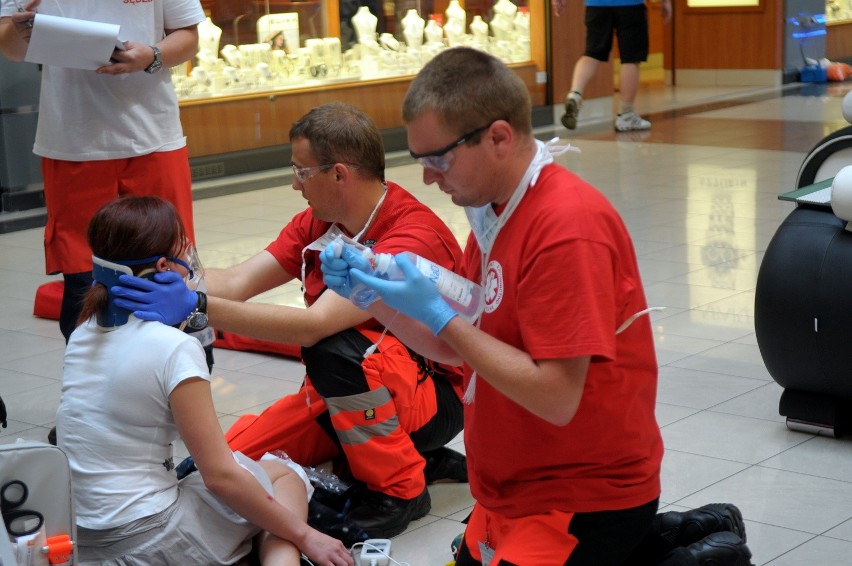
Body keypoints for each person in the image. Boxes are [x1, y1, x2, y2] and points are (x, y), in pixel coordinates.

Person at [320, 47, 753, 565]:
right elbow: (462, 349)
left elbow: (555, 396)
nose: (428, 178)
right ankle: (662, 538)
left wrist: (442, 315)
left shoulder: (565, 227)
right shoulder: (493, 211)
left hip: (579, 494)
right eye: (419, 161)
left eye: (438, 159)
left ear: (499, 137)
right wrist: (379, 302)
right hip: (517, 483)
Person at [109, 102, 468, 540]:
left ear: (339, 174)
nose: (294, 183)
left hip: (432, 394)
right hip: (348, 391)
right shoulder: (321, 221)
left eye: (301, 172)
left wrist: (194, 304)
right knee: (223, 466)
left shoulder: (409, 238)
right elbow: (240, 279)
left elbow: (313, 327)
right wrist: (166, 279)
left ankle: (400, 490)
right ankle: (411, 455)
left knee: (334, 350)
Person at [56, 195, 352, 566]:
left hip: (83, 541)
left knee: (252, 473)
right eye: (183, 247)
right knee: (286, 477)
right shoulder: (173, 348)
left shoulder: (82, 331)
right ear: (164, 266)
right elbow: (220, 477)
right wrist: (308, 537)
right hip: (150, 539)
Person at [0, 0, 203, 342]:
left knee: (170, 263)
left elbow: (188, 35)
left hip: (152, 136)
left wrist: (151, 55)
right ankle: (96, 376)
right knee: (84, 278)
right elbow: (11, 47)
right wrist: (21, 29)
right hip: (72, 143)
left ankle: (185, 374)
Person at [553, 0, 672, 132]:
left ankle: (575, 93)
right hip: (631, 6)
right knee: (630, 59)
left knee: (592, 54)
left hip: (596, 6)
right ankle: (626, 115)